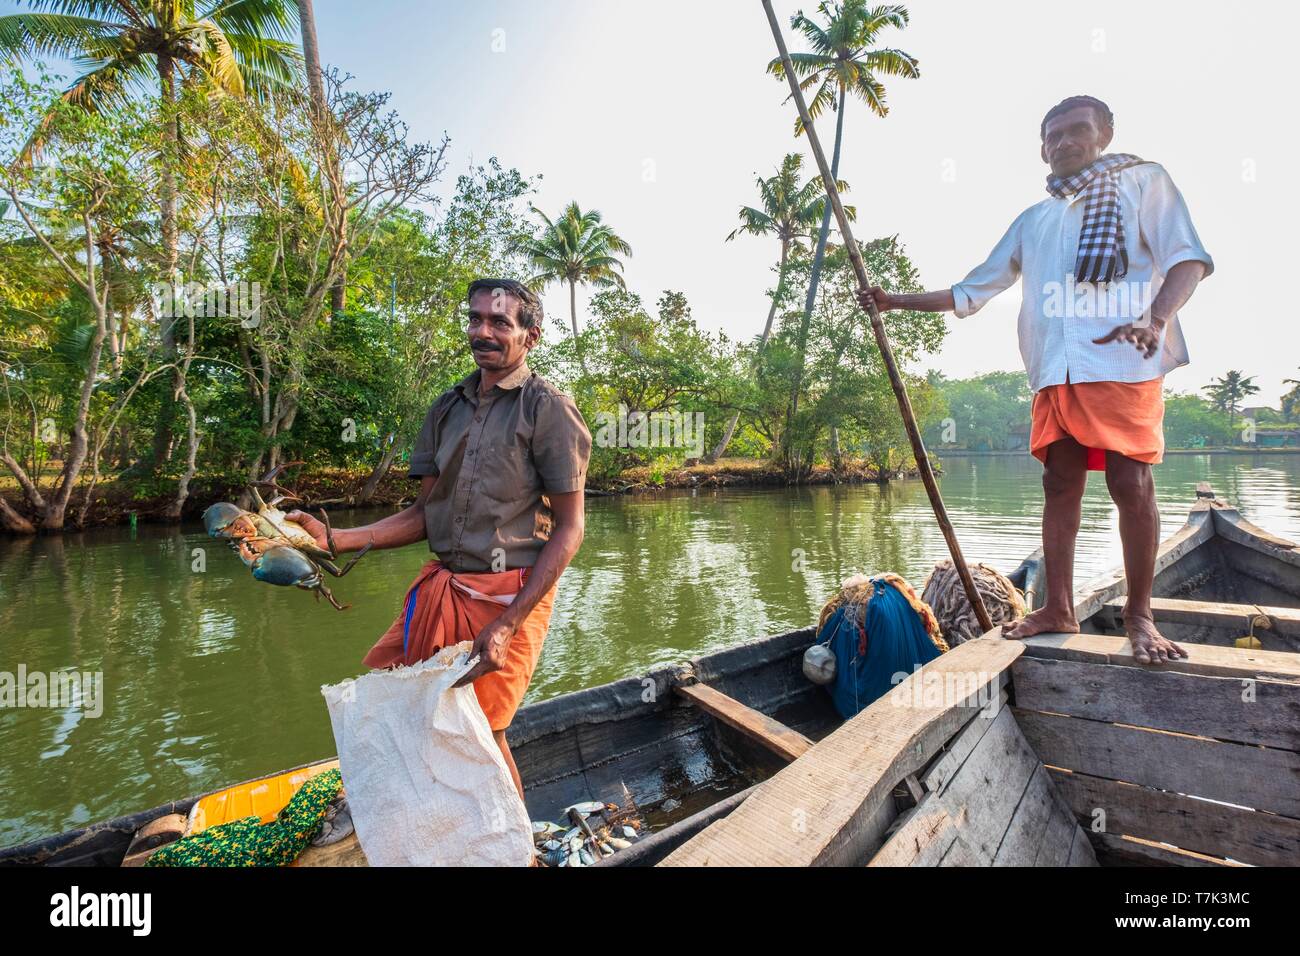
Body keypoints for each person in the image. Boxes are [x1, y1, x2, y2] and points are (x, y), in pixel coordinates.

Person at [857, 95, 1213, 664]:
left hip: (1121, 358)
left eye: (1078, 131)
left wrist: (1158, 317)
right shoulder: (1035, 218)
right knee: (1059, 483)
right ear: (1042, 148)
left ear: (1104, 133)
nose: (1065, 142)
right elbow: (973, 289)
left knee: (1129, 482)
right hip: (1054, 368)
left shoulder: (1143, 181)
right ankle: (1058, 607)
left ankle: (1140, 615)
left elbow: (1187, 259)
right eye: (1054, 136)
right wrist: (894, 300)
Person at [288, 278, 591, 798]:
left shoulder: (548, 409)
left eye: (500, 322)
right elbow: (423, 514)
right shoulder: (446, 408)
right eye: (475, 319)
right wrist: (332, 538)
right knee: (418, 713)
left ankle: (515, 854)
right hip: (446, 587)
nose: (483, 331)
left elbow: (570, 528)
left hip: (507, 595)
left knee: (485, 731)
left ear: (530, 336)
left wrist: (506, 623)